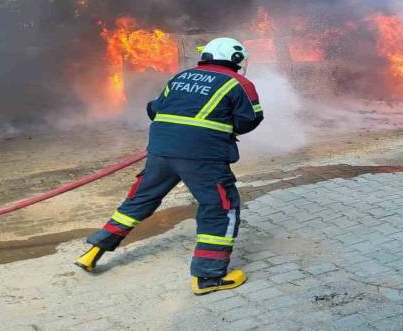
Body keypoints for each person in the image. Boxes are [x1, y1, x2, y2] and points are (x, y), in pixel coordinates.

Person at [74, 37, 263, 295]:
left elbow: (153, 109)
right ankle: (208, 278)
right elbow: (250, 120)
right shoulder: (239, 83)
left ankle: (94, 250)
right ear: (236, 58)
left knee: (139, 201)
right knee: (221, 207)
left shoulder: (180, 77)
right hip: (203, 157)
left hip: (161, 152)